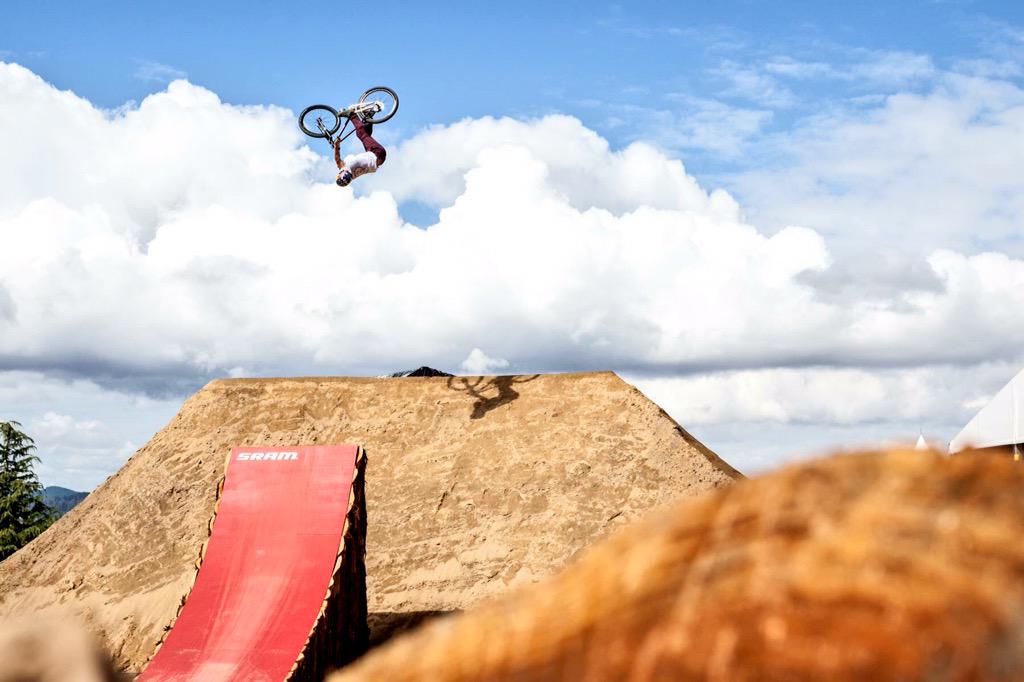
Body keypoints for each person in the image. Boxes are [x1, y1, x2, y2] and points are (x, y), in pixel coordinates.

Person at [335, 113, 386, 187]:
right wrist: (336, 145)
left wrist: (336, 146)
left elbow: (338, 162)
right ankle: (352, 114)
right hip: (377, 152)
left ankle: (368, 117)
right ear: (342, 174)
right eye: (339, 175)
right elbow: (338, 161)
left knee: (366, 135)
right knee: (361, 134)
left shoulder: (350, 174)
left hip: (375, 155)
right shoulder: (348, 167)